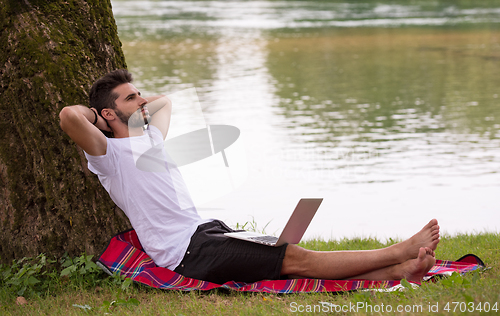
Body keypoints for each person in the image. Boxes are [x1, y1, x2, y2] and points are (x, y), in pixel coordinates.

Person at [59, 69, 440, 284]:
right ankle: (398, 252)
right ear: (108, 115)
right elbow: (68, 117)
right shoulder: (108, 155)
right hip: (186, 252)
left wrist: (133, 102)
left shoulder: (153, 137)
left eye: (138, 94)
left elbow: (165, 103)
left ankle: (399, 270)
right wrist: (98, 116)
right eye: (130, 99)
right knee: (296, 258)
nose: (142, 100)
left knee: (283, 252)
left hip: (208, 230)